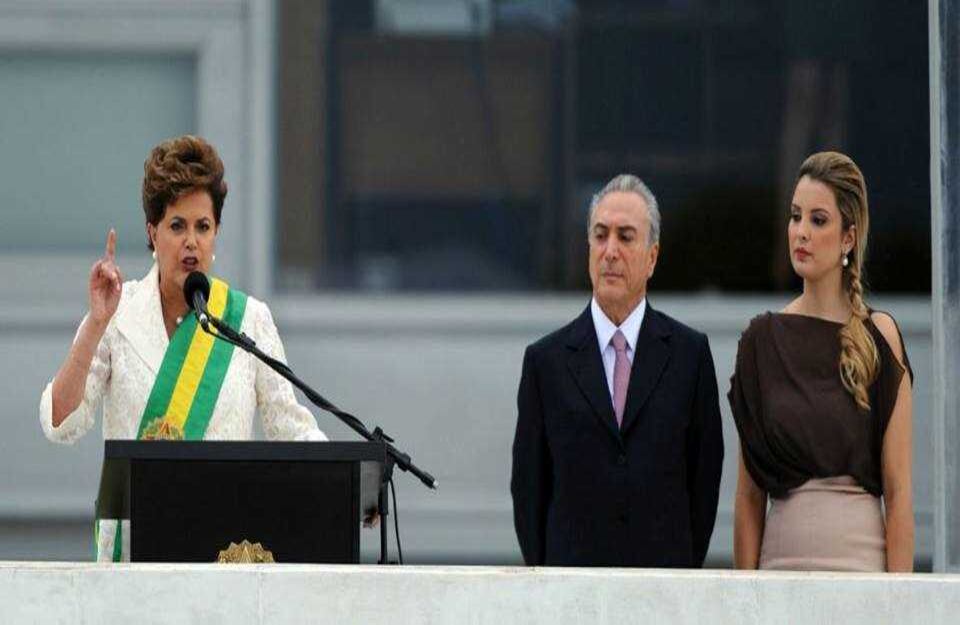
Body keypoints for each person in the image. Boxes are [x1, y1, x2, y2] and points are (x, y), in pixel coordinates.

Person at [39, 135, 327, 561]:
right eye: (177, 226)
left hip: (222, 557)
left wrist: (352, 484)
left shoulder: (247, 320)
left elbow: (293, 429)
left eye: (203, 227)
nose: (191, 241)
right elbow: (61, 423)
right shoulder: (118, 315)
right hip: (134, 565)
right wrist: (95, 324)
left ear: (216, 234)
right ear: (153, 233)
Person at [510, 174, 724, 567]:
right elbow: (529, 493)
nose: (610, 250)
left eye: (625, 237)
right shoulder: (545, 362)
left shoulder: (690, 357)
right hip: (571, 598)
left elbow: (703, 484)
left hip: (662, 596)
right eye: (600, 235)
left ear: (652, 257)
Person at [730, 151, 914, 572]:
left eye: (818, 220)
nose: (801, 232)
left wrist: (902, 605)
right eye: (795, 217)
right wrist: (742, 603)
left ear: (848, 237)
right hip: (779, 582)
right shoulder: (761, 341)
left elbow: (899, 491)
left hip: (862, 583)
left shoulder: (880, 337)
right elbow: (748, 497)